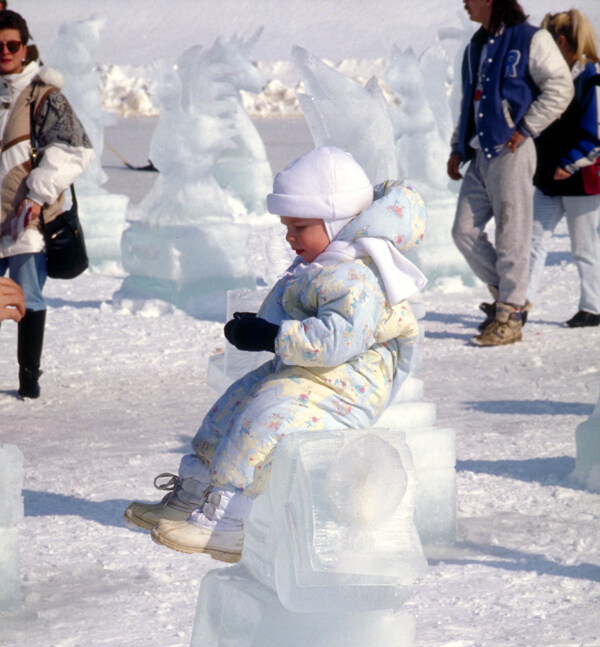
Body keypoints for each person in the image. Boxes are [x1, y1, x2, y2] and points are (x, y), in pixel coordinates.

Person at [125, 146, 427, 563]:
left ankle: (226, 522)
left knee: (266, 417)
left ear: (336, 221)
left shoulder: (355, 274)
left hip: (345, 388)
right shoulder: (326, 263)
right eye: (287, 225)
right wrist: (259, 325)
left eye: (299, 226)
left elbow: (337, 339)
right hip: (312, 373)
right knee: (233, 404)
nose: (289, 237)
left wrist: (271, 335)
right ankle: (192, 492)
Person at [448, 0, 574, 346]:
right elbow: (470, 103)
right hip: (480, 153)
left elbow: (561, 87)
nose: (464, 3)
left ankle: (510, 314)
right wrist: (457, 147)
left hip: (513, 149)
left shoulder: (531, 39)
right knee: (463, 231)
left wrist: (527, 127)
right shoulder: (476, 44)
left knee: (511, 233)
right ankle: (510, 296)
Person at [0, 9, 93, 398]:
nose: (4, 52)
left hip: (26, 219)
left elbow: (74, 149)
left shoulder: (43, 93)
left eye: (12, 44)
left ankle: (29, 378)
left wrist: (38, 194)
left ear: (25, 47)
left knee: (28, 297)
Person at [527, 10, 600, 328]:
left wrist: (570, 163)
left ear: (559, 42)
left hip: (580, 177)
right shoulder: (551, 79)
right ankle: (519, 304)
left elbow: (596, 132)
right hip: (548, 176)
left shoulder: (591, 78)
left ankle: (594, 306)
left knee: (584, 246)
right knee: (532, 240)